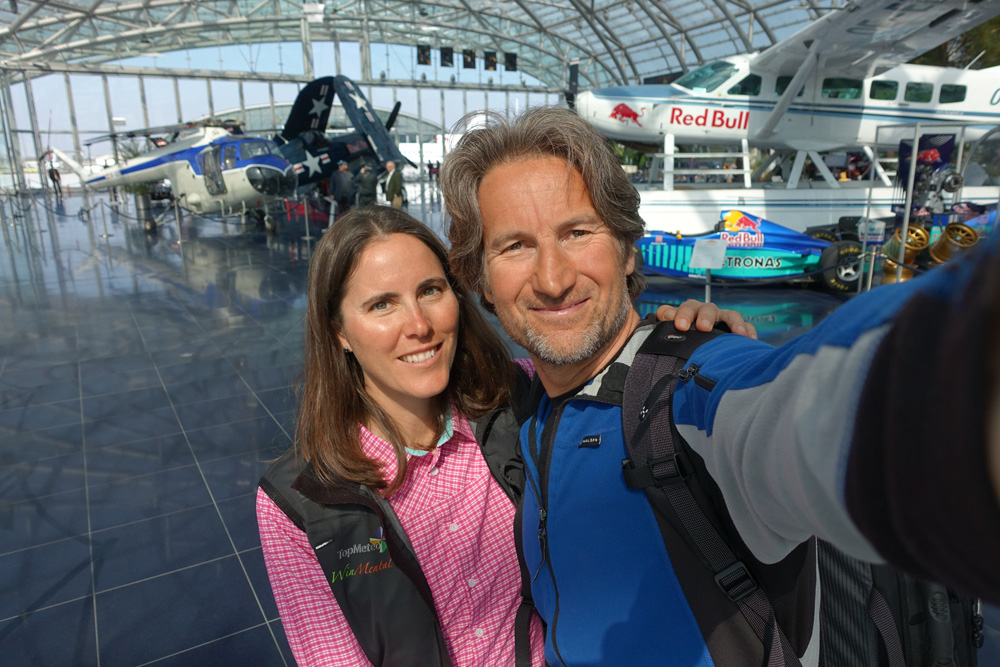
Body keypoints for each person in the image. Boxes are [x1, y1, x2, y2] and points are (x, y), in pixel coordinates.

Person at [440, 106, 1000, 666]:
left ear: (628, 249)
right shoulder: (531, 412)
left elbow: (814, 409)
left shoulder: (689, 393)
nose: (553, 278)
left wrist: (963, 350)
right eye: (514, 246)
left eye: (578, 232)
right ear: (480, 281)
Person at [256, 206, 752, 666]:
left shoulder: (517, 395)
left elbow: (616, 368)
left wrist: (689, 342)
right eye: (382, 304)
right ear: (338, 330)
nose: (419, 325)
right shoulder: (303, 502)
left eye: (430, 290)